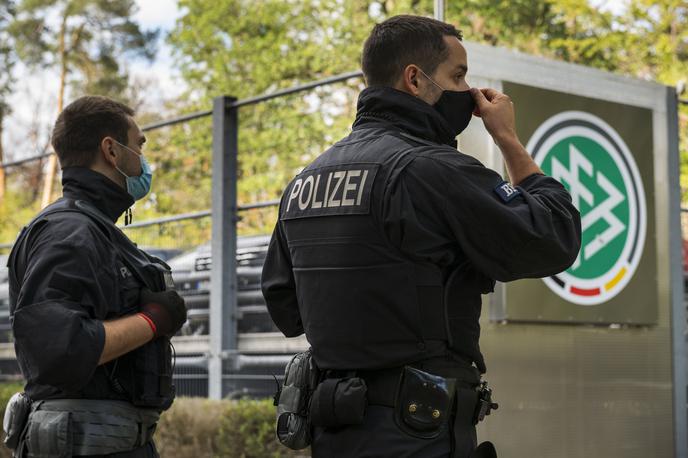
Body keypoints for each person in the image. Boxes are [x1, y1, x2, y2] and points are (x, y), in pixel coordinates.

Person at [262, 14, 582, 458]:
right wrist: (507, 138)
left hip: (335, 432)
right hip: (417, 434)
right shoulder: (432, 169)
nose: (469, 93)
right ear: (415, 79)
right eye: (458, 75)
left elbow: (286, 309)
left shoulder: (306, 180)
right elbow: (553, 237)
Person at [5, 96, 187, 457]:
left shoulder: (91, 227)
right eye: (139, 144)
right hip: (84, 443)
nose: (144, 158)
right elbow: (57, 351)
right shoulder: (70, 231)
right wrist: (154, 319)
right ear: (112, 151)